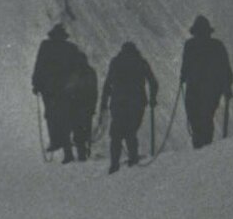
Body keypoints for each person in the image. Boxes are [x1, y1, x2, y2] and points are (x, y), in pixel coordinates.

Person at [31, 21, 95, 163]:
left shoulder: (46, 47)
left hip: (51, 90)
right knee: (72, 120)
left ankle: (62, 147)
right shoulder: (71, 48)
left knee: (54, 117)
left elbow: (39, 65)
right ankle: (80, 153)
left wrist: (36, 84)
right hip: (69, 91)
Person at [100, 40, 159, 172]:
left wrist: (103, 103)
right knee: (130, 131)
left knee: (116, 133)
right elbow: (153, 82)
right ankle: (133, 159)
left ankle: (114, 163)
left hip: (118, 103)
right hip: (137, 103)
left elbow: (107, 85)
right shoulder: (141, 62)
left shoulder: (116, 62)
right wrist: (152, 98)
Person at [178, 15, 233, 148]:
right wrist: (227, 87)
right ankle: (204, 145)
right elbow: (226, 70)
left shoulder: (190, 45)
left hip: (195, 89)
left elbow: (185, 68)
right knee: (205, 117)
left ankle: (200, 146)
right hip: (212, 90)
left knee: (197, 117)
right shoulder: (217, 46)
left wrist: (183, 77)